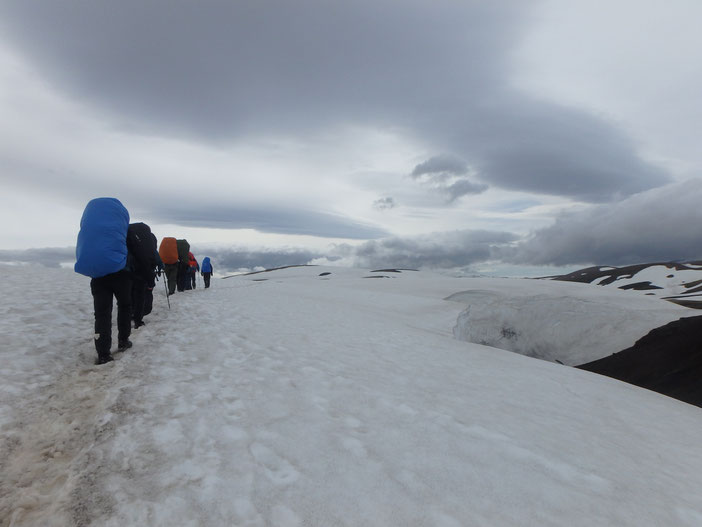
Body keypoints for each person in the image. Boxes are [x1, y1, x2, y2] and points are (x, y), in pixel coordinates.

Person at [75, 197, 133, 365]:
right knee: (124, 306)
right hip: (120, 273)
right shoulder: (121, 228)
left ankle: (103, 353)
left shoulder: (90, 225)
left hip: (98, 275)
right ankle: (123, 340)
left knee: (101, 314)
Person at [128, 222, 158, 329]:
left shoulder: (128, 236)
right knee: (140, 294)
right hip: (142, 271)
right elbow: (154, 256)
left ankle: (130, 312)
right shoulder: (148, 242)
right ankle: (138, 319)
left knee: (130, 293)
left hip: (127, 270)